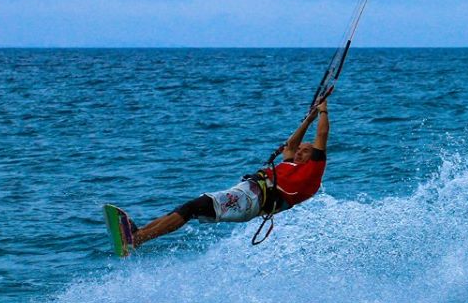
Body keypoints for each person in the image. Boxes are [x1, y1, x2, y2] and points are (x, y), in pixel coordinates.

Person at [122, 99, 330, 248]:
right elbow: (291, 145)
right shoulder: (290, 165)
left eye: (306, 150)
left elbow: (322, 135)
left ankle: (138, 239)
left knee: (194, 207)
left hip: (253, 201)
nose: (300, 152)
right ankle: (138, 235)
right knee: (189, 207)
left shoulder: (313, 170)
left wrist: (323, 111)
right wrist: (308, 119)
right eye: (300, 150)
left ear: (314, 156)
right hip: (247, 193)